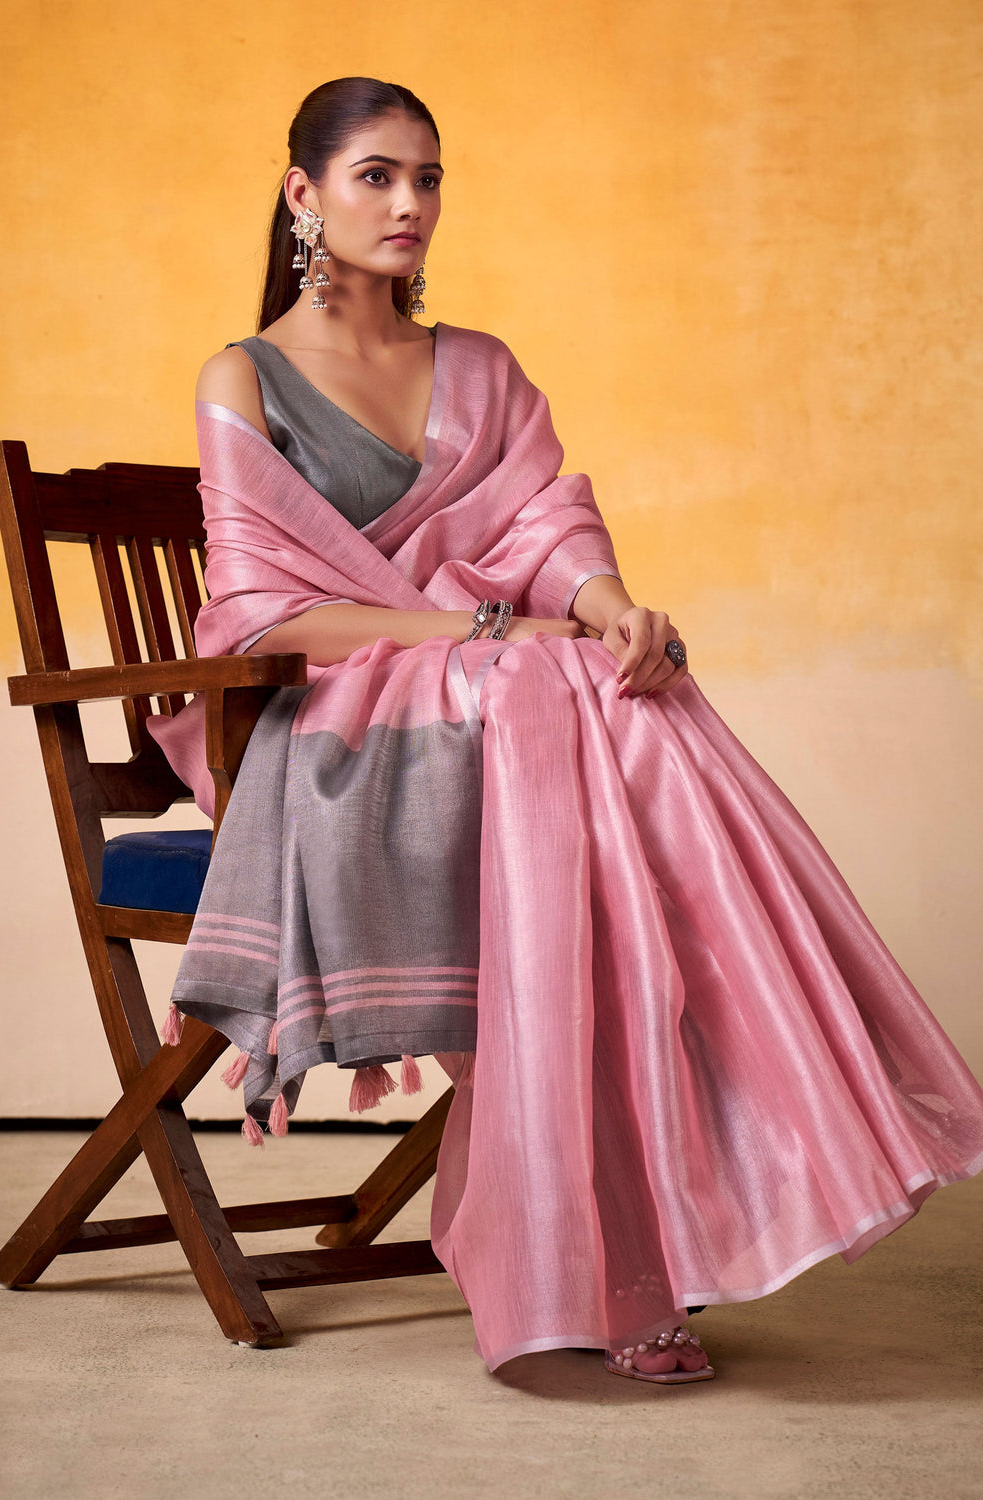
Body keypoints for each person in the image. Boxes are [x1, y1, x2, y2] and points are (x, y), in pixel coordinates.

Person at [154, 76, 983, 1385]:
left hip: (503, 716)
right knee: (553, 691)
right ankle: (607, 1256)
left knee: (620, 681)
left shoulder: (481, 368)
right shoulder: (242, 379)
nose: (412, 203)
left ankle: (648, 1222)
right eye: (377, 176)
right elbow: (267, 612)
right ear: (303, 193)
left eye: (429, 178)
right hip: (337, 725)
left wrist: (612, 610)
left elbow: (547, 528)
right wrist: (487, 633)